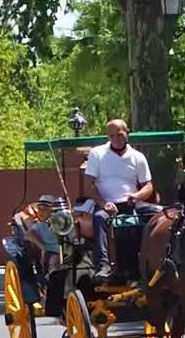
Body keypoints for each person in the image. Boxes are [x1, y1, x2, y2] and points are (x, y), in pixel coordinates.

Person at [74, 119, 155, 279]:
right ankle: (103, 266)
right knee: (99, 218)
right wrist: (104, 203)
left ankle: (151, 261)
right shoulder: (97, 153)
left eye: (119, 135)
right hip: (106, 205)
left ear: (127, 134)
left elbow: (148, 186)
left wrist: (137, 195)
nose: (116, 139)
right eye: (112, 136)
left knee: (158, 214)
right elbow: (90, 185)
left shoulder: (137, 157)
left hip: (131, 203)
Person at [11, 195, 62, 276]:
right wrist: (42, 247)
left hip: (67, 252)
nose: (40, 212)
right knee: (54, 261)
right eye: (39, 209)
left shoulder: (62, 223)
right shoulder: (40, 225)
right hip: (51, 253)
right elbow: (28, 235)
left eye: (44, 209)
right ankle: (52, 281)